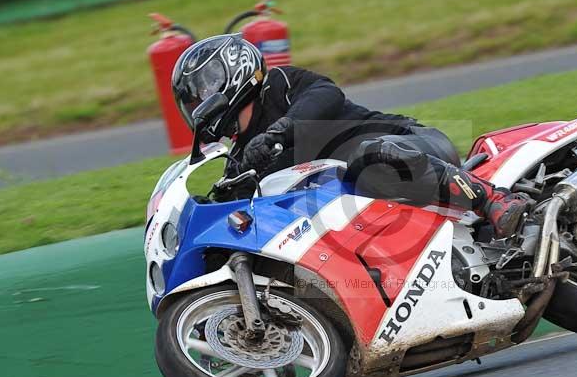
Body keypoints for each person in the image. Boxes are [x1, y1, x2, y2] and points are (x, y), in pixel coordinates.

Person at [172, 34, 531, 238]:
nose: (198, 106)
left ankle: (492, 200)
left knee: (367, 156)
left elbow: (326, 94)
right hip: (371, 206)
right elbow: (237, 207)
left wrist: (280, 131)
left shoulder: (279, 85)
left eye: (200, 93)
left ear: (229, 76)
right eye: (191, 101)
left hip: (409, 143)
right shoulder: (243, 156)